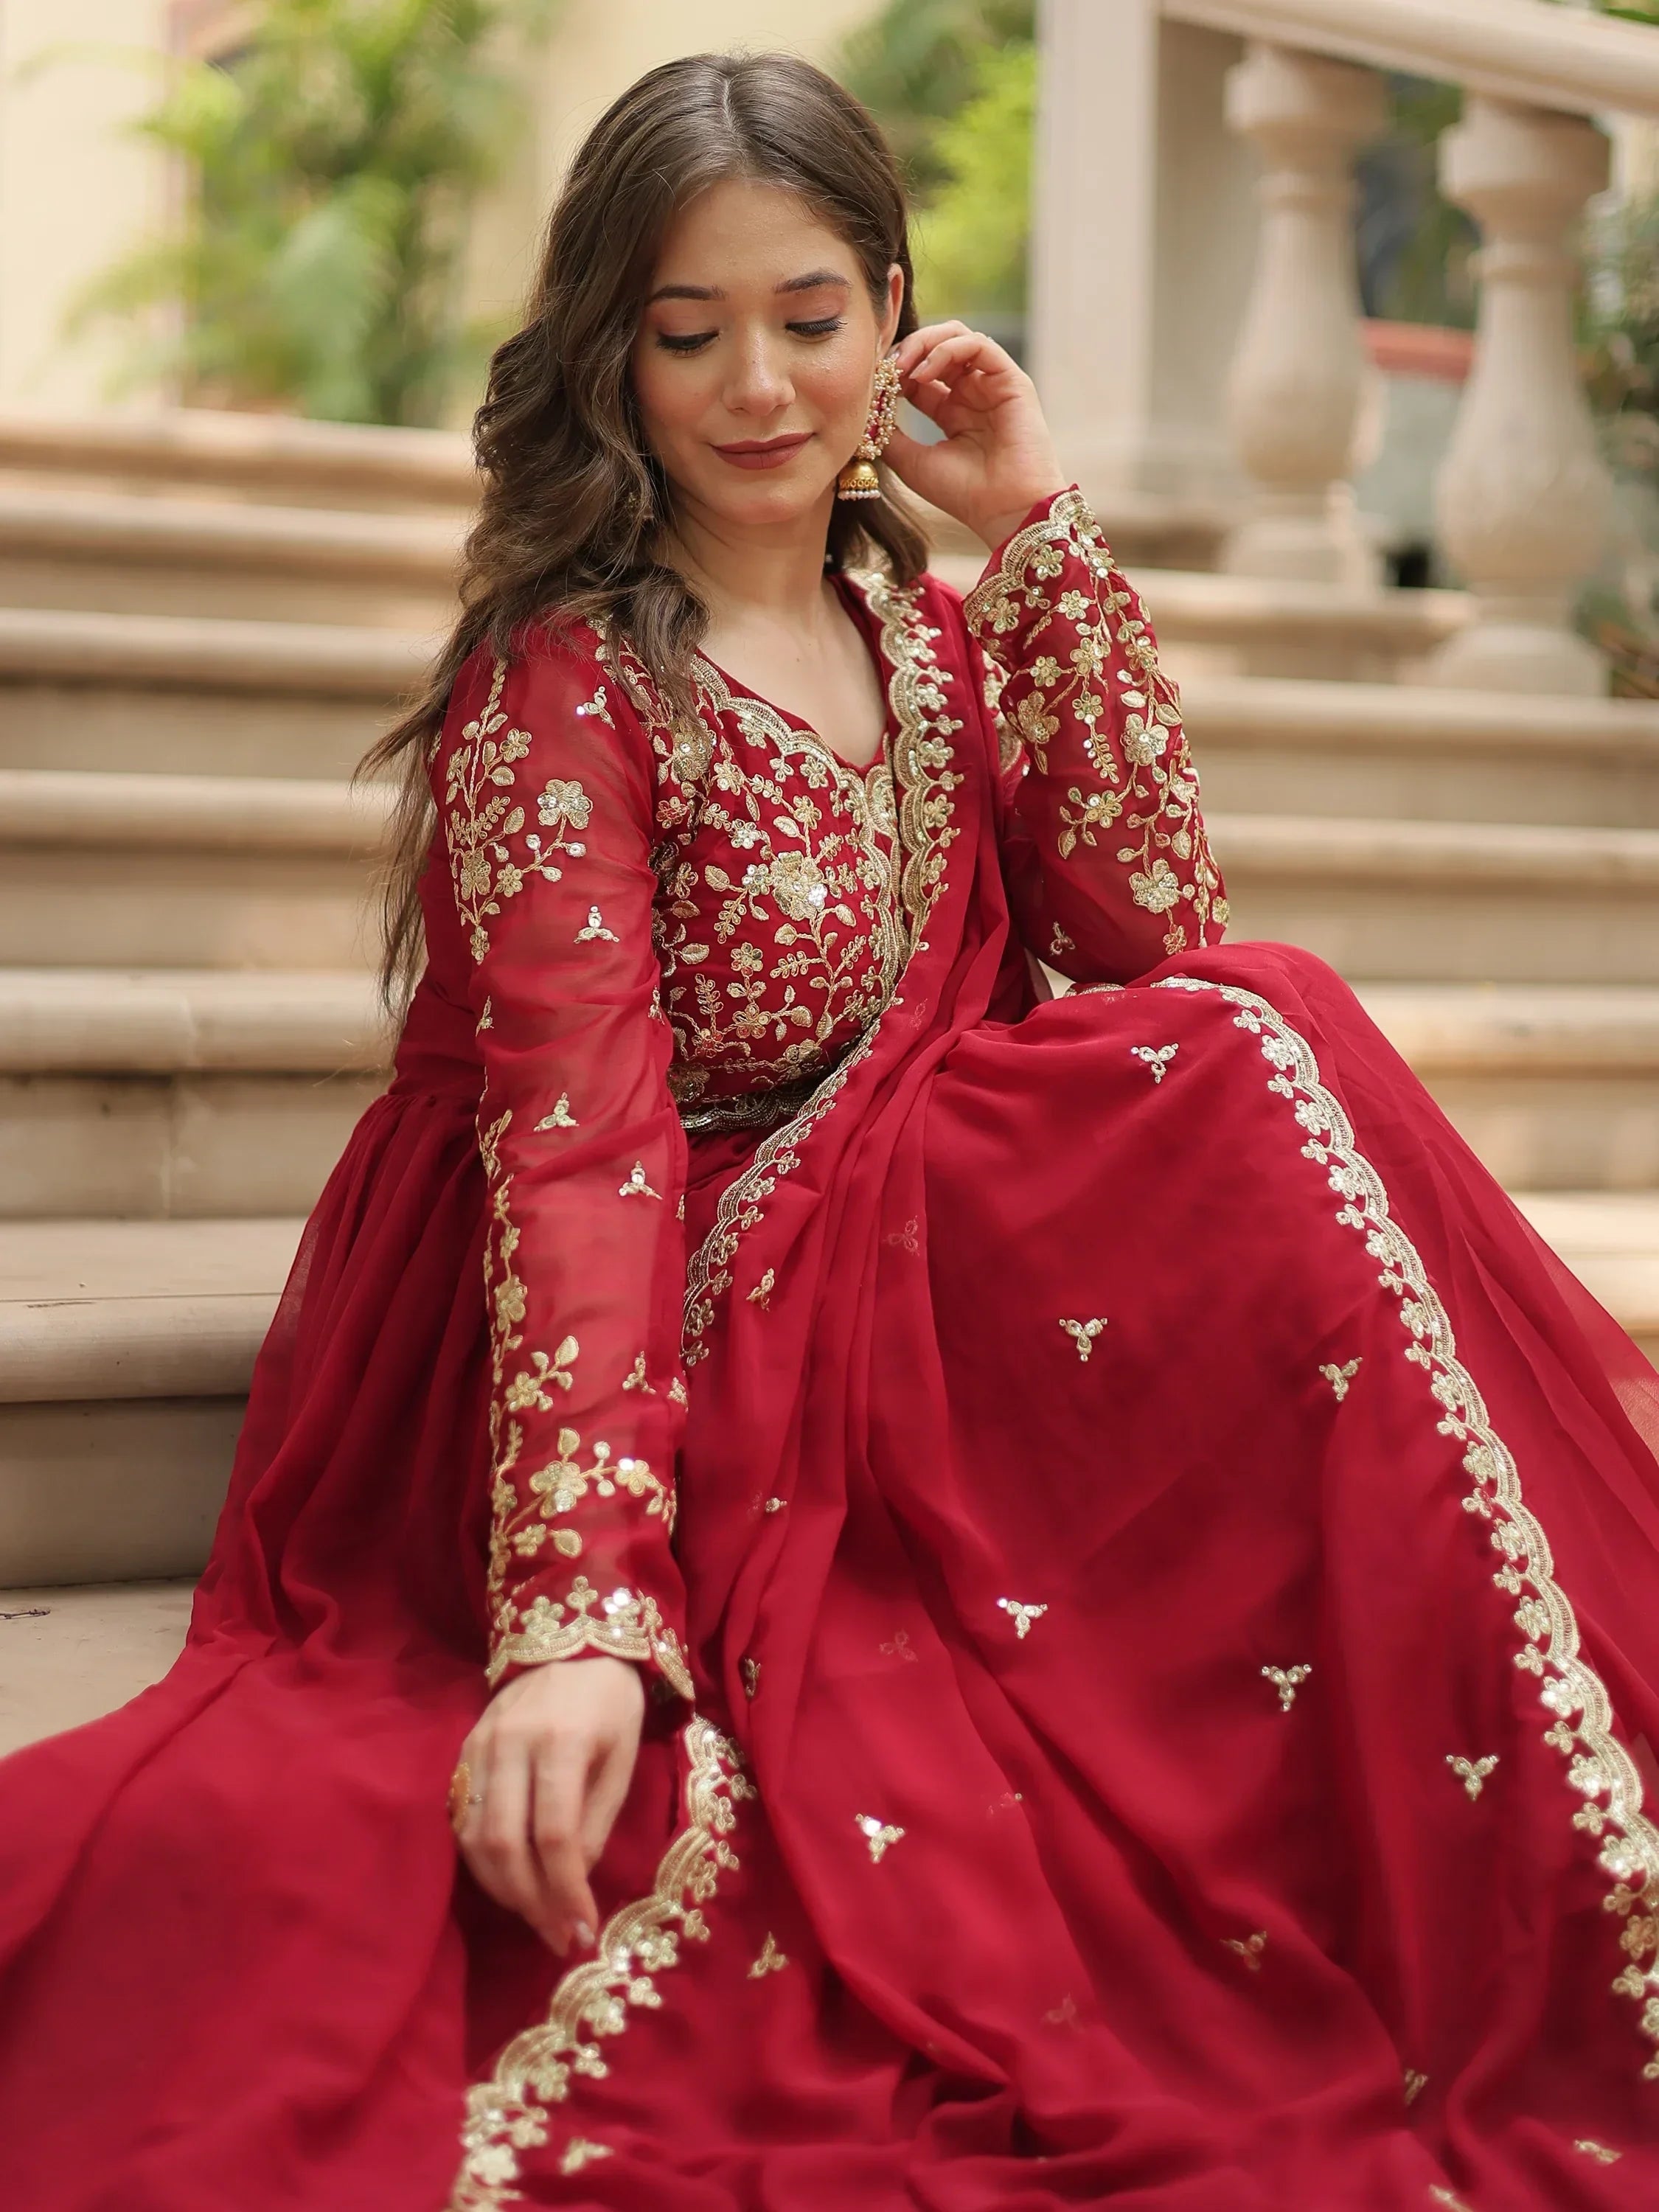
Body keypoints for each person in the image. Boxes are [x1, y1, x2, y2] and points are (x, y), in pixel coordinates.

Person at [1, 48, 1657, 2212]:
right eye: (688, 333)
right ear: (609, 352)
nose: (757, 386)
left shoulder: (920, 629)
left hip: (878, 1235)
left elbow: (1151, 926)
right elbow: (576, 1144)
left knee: (1241, 1038)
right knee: (1228, 1060)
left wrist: (1036, 529)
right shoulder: (564, 685)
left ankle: (1508, 1832)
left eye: (809, 317)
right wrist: (579, 1611)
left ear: (896, 315)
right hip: (620, 1285)